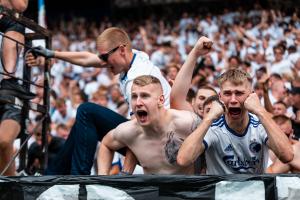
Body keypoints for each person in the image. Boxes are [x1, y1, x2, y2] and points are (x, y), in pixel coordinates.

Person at [30, 27, 172, 175]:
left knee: (86, 111)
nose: (103, 62)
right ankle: (52, 174)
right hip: (153, 134)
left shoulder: (136, 80)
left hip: (157, 143)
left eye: (105, 57)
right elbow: (88, 59)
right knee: (82, 124)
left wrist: (125, 173)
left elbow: (138, 131)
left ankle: (79, 179)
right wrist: (52, 54)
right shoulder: (134, 56)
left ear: (122, 50)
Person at [176, 69, 294, 174]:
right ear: (220, 96)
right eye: (227, 93)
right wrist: (209, 118)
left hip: (255, 193)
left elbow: (287, 156)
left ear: (251, 96)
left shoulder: (260, 125)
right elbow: (183, 159)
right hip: (221, 194)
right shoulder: (212, 127)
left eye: (239, 93)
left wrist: (260, 111)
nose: (233, 100)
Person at [98, 75, 201, 175]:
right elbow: (106, 144)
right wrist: (102, 179)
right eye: (134, 96)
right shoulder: (129, 131)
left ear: (161, 100)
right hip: (154, 190)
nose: (138, 102)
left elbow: (212, 137)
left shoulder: (186, 122)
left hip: (187, 190)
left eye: (144, 96)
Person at [0, 0, 34, 176]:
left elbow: (21, 5)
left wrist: (39, 59)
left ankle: (12, 189)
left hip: (13, 94)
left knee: (4, 142)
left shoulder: (22, 26)